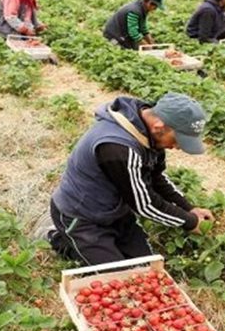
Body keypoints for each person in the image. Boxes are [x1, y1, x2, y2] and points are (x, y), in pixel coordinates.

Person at [47, 92, 214, 266]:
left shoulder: (148, 134)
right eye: (178, 140)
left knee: (145, 267)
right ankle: (60, 238)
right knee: (117, 278)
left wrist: (189, 208)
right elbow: (144, 204)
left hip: (115, 213)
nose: (177, 147)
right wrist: (190, 222)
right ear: (159, 126)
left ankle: (99, 246)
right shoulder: (117, 148)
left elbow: (156, 178)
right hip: (82, 216)